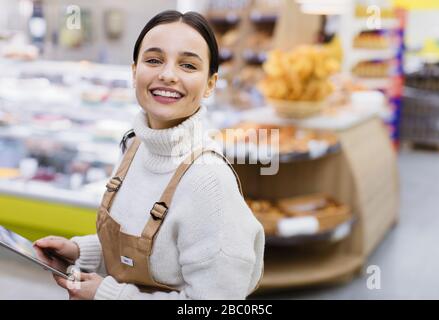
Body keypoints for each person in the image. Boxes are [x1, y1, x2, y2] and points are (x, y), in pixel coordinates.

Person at [33, 10, 265, 300]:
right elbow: (156, 255)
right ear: (134, 72)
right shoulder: (134, 148)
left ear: (210, 84)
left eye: (188, 65)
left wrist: (108, 295)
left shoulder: (209, 181)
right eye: (154, 60)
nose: (167, 75)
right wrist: (82, 251)